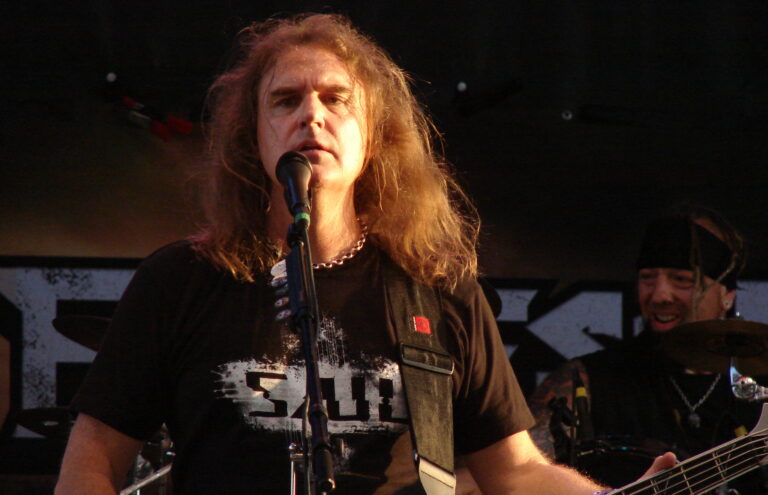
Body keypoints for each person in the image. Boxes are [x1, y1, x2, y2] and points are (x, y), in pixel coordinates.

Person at [55, 13, 671, 495]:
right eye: (286, 100)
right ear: (253, 136)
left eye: (336, 99)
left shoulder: (435, 290)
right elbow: (91, 462)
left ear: (373, 134)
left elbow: (516, 472)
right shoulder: (180, 281)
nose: (311, 116)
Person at [528, 204, 766, 492]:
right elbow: (522, 473)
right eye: (648, 278)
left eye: (682, 280)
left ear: (726, 295)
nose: (660, 295)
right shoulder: (588, 378)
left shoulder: (758, 385)